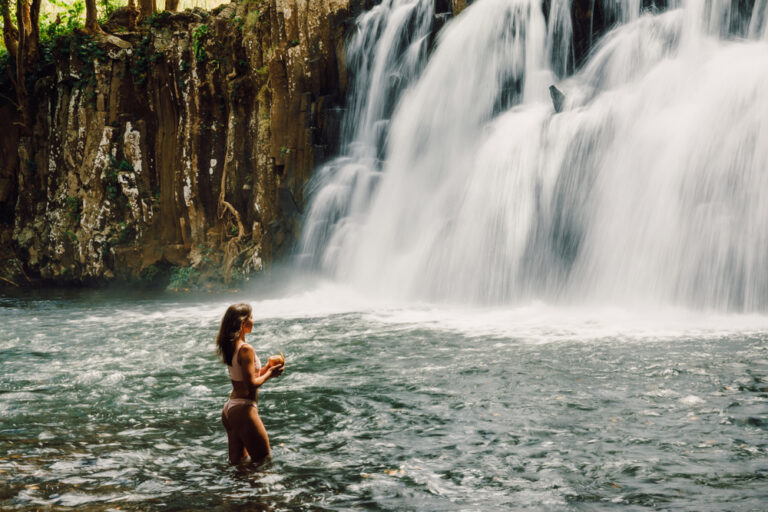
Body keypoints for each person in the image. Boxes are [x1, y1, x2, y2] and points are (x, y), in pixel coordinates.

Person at [216, 303, 285, 465]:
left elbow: (245, 378)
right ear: (243, 322)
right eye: (251, 318)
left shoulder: (232, 346)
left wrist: (267, 368)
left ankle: (235, 491)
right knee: (263, 463)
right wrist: (270, 373)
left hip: (231, 410)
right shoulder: (246, 349)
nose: (254, 321)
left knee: (239, 467)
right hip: (244, 410)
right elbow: (251, 384)